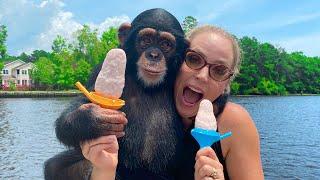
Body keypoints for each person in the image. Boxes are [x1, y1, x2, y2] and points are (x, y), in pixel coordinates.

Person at [80, 25, 264, 180]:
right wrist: (103, 169)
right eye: (193, 59)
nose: (202, 76)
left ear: (226, 83)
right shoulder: (139, 104)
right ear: (176, 61)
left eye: (219, 70)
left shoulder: (233, 122)